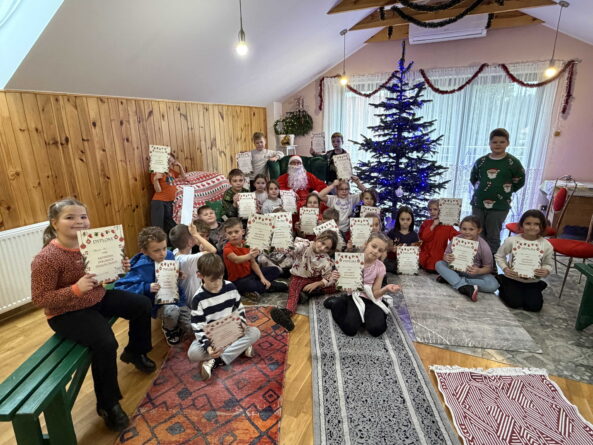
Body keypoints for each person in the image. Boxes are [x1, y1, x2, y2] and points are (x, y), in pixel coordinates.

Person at [31, 198, 155, 432]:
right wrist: (75, 289)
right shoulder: (46, 258)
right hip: (66, 313)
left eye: (83, 216)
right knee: (106, 343)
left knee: (141, 304)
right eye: (70, 217)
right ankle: (108, 404)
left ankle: (135, 352)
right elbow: (40, 298)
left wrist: (119, 269)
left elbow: (102, 278)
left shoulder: (92, 245)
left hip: (96, 298)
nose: (79, 221)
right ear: (54, 223)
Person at [188, 254, 261, 380]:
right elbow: (198, 327)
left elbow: (239, 308)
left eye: (220, 278)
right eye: (212, 280)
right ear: (200, 275)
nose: (217, 284)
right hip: (213, 337)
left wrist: (242, 324)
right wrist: (208, 348)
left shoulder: (230, 287)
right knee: (193, 353)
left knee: (255, 332)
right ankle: (239, 348)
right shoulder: (198, 299)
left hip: (232, 331)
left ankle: (217, 361)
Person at [115, 227, 187, 346]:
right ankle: (169, 328)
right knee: (172, 312)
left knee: (190, 326)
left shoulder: (169, 255)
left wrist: (177, 274)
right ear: (144, 251)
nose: (162, 253)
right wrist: (146, 287)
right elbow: (120, 287)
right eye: (156, 251)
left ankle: (174, 320)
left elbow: (171, 274)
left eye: (164, 248)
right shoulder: (139, 267)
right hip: (157, 304)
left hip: (176, 297)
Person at [324, 233, 400, 337]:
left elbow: (375, 294)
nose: (375, 251)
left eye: (380, 250)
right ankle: (338, 303)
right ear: (366, 244)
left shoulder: (380, 267)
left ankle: (366, 316)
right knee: (350, 329)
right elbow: (343, 286)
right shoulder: (351, 260)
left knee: (377, 330)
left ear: (382, 253)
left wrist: (386, 288)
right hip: (354, 296)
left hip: (371, 298)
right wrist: (336, 278)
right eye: (373, 246)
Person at [470, 128, 526, 255]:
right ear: (489, 144)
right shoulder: (481, 161)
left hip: (499, 206)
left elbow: (520, 180)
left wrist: (507, 191)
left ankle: (491, 261)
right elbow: (473, 178)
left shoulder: (513, 163)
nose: (498, 145)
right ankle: (477, 259)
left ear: (508, 143)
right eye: (494, 142)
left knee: (493, 235)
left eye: (502, 142)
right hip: (478, 204)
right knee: (476, 233)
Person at [270, 230, 339, 331]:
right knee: (293, 293)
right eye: (322, 243)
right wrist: (284, 247)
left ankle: (308, 294)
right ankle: (287, 313)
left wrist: (318, 283)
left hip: (315, 279)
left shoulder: (326, 260)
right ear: (318, 238)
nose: (322, 248)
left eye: (327, 248)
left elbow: (328, 276)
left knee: (336, 285)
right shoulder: (305, 245)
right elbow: (294, 248)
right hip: (299, 277)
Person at [495, 209, 553, 312]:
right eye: (528, 223)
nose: (532, 227)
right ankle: (503, 282)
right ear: (522, 225)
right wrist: (505, 268)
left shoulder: (546, 245)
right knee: (514, 303)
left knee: (534, 307)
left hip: (533, 281)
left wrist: (546, 270)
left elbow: (548, 264)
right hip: (513, 278)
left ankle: (538, 287)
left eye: (536, 224)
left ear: (542, 226)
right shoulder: (512, 241)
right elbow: (499, 256)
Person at [435, 215, 500, 301]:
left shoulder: (484, 246)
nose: (467, 232)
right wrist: (446, 257)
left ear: (479, 230)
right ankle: (462, 286)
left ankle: (452, 279)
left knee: (493, 285)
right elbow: (445, 255)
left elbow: (488, 268)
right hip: (455, 269)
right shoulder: (456, 239)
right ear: (460, 229)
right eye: (464, 229)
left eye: (471, 229)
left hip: (473, 274)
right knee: (439, 264)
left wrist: (479, 271)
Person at [222, 217, 288, 301]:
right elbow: (236, 259)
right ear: (226, 235)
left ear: (243, 232)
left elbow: (253, 263)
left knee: (275, 270)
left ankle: (260, 287)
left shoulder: (247, 244)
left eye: (236, 232)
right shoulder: (227, 249)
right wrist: (250, 255)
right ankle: (271, 286)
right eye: (230, 233)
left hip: (251, 274)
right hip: (238, 280)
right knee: (249, 284)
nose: (233, 235)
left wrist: (262, 278)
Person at [169, 223, 216, 304]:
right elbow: (213, 250)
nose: (196, 236)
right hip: (192, 300)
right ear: (190, 242)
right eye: (193, 235)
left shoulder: (177, 251)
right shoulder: (188, 260)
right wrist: (196, 234)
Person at [150, 153, 186, 237]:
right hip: (159, 202)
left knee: (171, 226)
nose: (169, 163)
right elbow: (158, 190)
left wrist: (180, 166)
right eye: (168, 161)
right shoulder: (156, 172)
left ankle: (170, 243)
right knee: (158, 228)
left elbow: (183, 177)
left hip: (170, 202)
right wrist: (155, 179)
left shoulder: (171, 171)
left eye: (171, 162)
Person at [419, 199, 458, 272]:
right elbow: (424, 238)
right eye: (430, 210)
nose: (432, 212)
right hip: (426, 257)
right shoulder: (426, 223)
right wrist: (433, 225)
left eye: (435, 209)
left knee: (439, 268)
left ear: (441, 210)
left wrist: (462, 227)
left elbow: (457, 238)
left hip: (439, 257)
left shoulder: (447, 225)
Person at [385, 206, 419, 273]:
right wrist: (392, 248)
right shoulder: (392, 232)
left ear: (412, 220)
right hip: (393, 260)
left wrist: (416, 250)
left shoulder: (414, 235)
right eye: (402, 219)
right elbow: (386, 248)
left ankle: (402, 269)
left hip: (407, 261)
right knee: (386, 263)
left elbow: (415, 253)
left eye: (408, 219)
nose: (405, 222)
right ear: (398, 219)